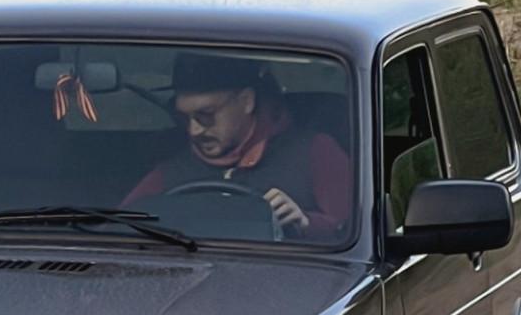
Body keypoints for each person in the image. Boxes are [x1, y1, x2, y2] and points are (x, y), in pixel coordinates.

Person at [123, 54, 352, 237]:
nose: (194, 130)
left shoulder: (315, 151)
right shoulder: (170, 165)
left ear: (246, 101)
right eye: (185, 118)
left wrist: (306, 223)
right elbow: (122, 224)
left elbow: (352, 233)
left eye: (206, 115)